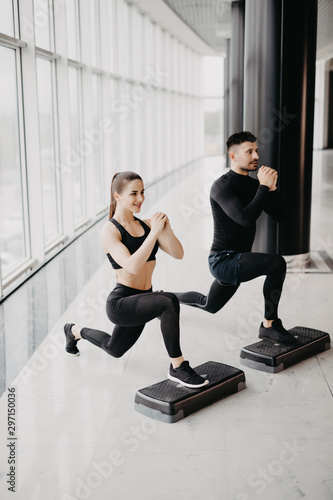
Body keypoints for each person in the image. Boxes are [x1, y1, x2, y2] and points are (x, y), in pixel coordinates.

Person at [64, 171, 209, 388]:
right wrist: (154, 233)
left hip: (143, 299)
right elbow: (131, 266)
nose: (140, 199)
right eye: (134, 193)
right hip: (121, 303)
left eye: (142, 192)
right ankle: (178, 366)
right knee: (168, 301)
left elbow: (179, 254)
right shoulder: (110, 231)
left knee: (114, 349)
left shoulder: (147, 225)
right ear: (117, 196)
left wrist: (165, 230)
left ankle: (74, 331)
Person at [175, 131, 298, 345]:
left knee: (209, 305)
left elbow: (282, 216)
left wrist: (273, 189)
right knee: (277, 264)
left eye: (256, 151)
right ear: (233, 156)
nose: (256, 156)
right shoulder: (221, 186)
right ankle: (270, 325)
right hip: (223, 260)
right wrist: (262, 187)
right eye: (249, 151)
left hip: (238, 259)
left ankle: (167, 298)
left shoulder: (253, 186)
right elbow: (244, 219)